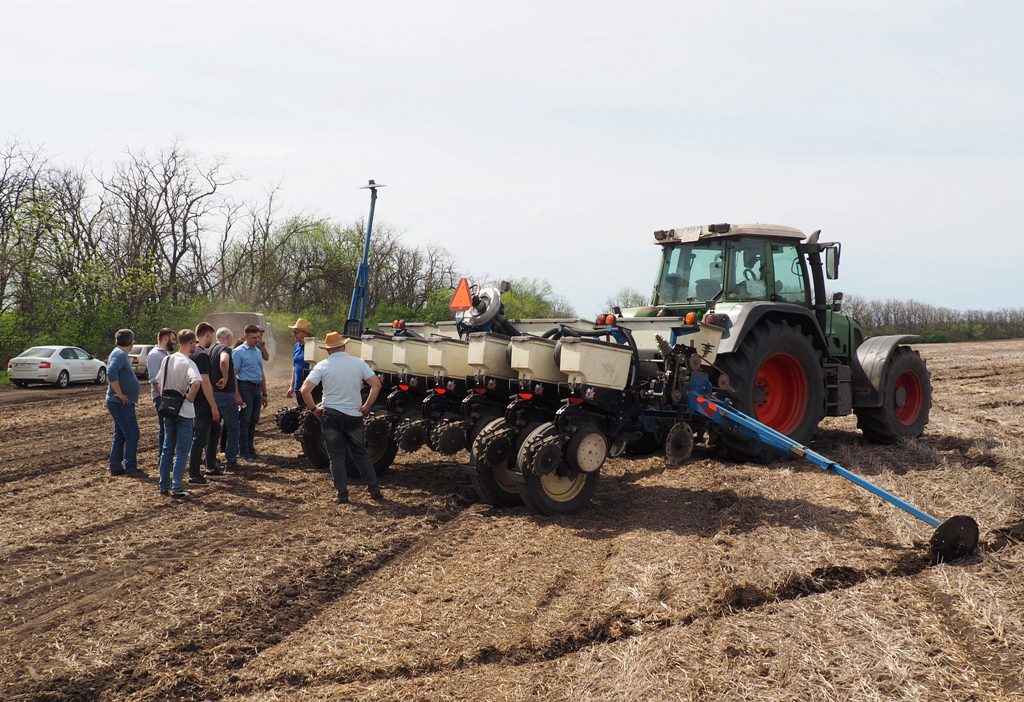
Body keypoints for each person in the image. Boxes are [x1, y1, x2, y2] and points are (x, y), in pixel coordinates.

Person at [300, 331, 384, 504]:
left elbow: (304, 390)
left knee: (336, 457)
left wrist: (314, 409)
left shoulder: (323, 366)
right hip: (354, 415)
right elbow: (376, 384)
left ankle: (342, 495)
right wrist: (366, 406)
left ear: (327, 350)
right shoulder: (358, 363)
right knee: (361, 454)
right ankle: (374, 491)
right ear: (344, 346)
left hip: (331, 415)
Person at [156, 329, 202, 498]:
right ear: (190, 343)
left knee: (167, 447)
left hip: (168, 409)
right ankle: (177, 487)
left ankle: (163, 485)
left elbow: (158, 383)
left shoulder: (167, 359)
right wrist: (189, 397)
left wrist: (165, 396)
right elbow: (197, 381)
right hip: (184, 411)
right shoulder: (189, 363)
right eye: (194, 344)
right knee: (182, 450)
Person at [187, 322, 221, 485]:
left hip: (198, 401)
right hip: (202, 402)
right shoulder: (201, 355)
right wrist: (213, 406)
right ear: (207, 335)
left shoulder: (191, 353)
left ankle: (211, 466)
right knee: (200, 437)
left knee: (214, 431)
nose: (212, 340)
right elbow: (204, 382)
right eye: (211, 336)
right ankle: (194, 473)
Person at [106, 328, 143, 477]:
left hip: (118, 402)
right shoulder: (120, 354)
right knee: (133, 434)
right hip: (120, 402)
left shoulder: (119, 353)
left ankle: (115, 467)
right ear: (130, 342)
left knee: (121, 434)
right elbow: (111, 372)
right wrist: (119, 393)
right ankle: (131, 467)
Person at [209, 326, 243, 475]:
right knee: (233, 428)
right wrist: (226, 378)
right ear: (228, 338)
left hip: (211, 394)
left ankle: (211, 460)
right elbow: (224, 361)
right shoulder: (225, 349)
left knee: (213, 430)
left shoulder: (209, 350)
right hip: (224, 394)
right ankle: (231, 461)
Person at [233, 324, 268, 461]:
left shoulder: (258, 351)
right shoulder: (238, 352)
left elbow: (261, 372)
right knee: (245, 421)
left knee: (253, 421)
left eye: (258, 337)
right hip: (244, 387)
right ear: (246, 337)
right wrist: (237, 394)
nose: (257, 340)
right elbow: (233, 374)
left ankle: (251, 451)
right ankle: (244, 452)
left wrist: (264, 393)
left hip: (256, 388)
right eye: (254, 338)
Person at [146, 328, 177, 457]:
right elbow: (154, 379)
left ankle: (166, 457)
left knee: (169, 429)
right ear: (166, 338)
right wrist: (165, 398)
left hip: (167, 397)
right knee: (165, 429)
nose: (175, 343)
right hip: (162, 398)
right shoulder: (155, 354)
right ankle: (163, 458)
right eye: (173, 339)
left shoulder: (165, 355)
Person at [286, 317, 314, 408]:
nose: (293, 334)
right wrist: (292, 386)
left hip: (310, 388)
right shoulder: (297, 346)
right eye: (293, 332)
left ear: (304, 333)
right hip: (298, 386)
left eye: (295, 332)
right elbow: (295, 366)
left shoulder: (313, 345)